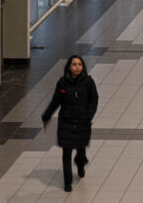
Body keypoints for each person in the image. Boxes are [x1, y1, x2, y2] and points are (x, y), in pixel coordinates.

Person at [41, 55, 99, 191]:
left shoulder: (88, 82)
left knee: (80, 148)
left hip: (82, 121)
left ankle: (80, 164)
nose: (77, 67)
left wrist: (89, 115)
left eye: (79, 64)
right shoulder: (62, 84)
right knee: (66, 152)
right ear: (69, 67)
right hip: (66, 122)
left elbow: (94, 100)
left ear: (83, 66)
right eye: (74, 64)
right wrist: (46, 116)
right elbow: (56, 101)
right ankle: (68, 182)